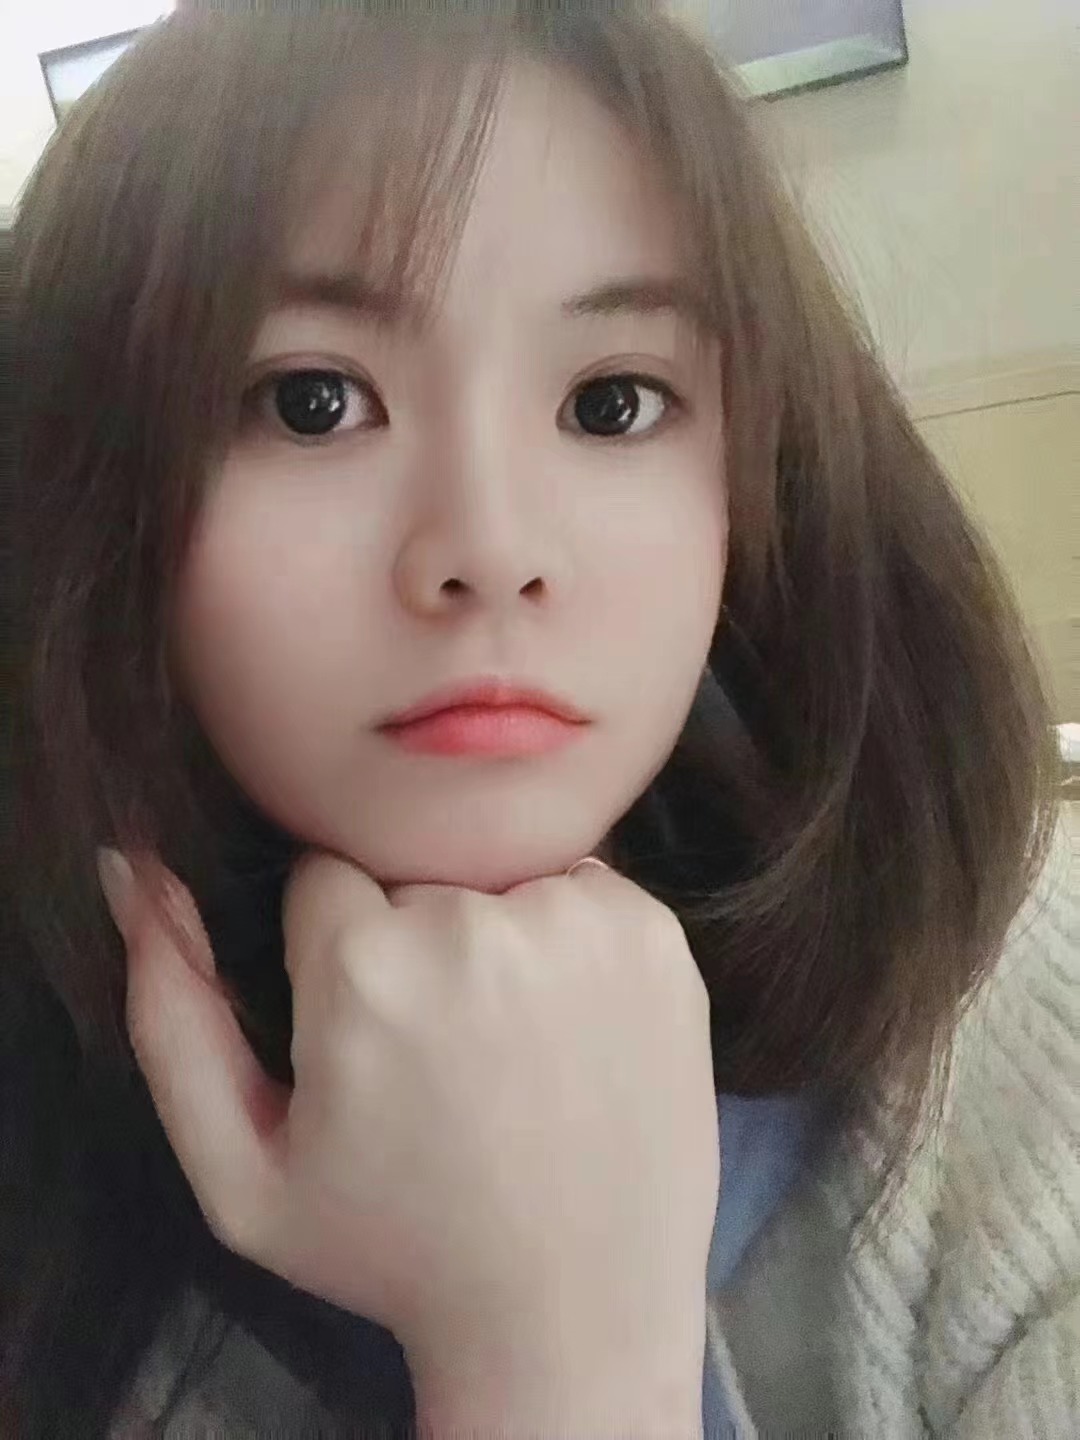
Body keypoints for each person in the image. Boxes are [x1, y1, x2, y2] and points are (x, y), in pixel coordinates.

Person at [3, 2, 1076, 1435]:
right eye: (313, 402)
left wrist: (560, 1367)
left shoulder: (1021, 1033)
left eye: (613, 402)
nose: (491, 547)